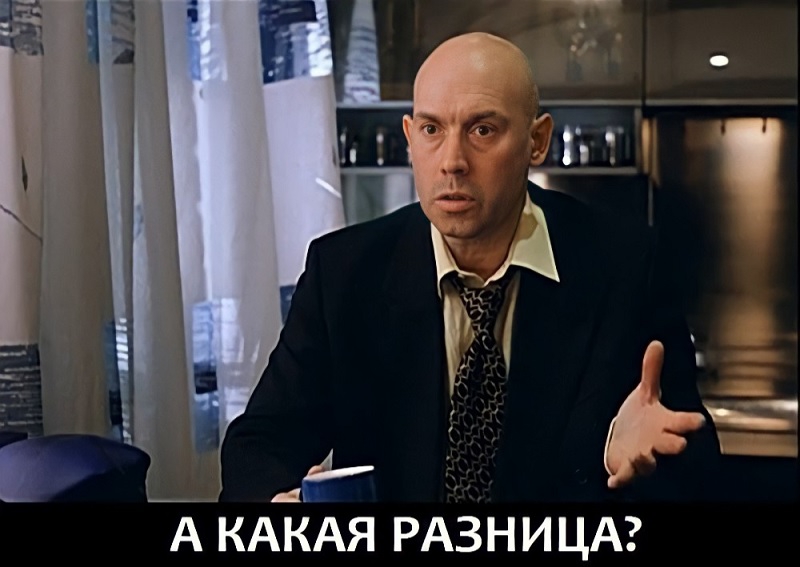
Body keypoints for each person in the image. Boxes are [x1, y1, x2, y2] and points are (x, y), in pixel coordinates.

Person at [219, 32, 721, 503]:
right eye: (432, 130)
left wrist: (632, 457)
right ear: (410, 138)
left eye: (483, 130)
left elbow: (695, 459)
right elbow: (259, 443)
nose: (452, 160)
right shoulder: (345, 273)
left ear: (537, 140)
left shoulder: (625, 265)